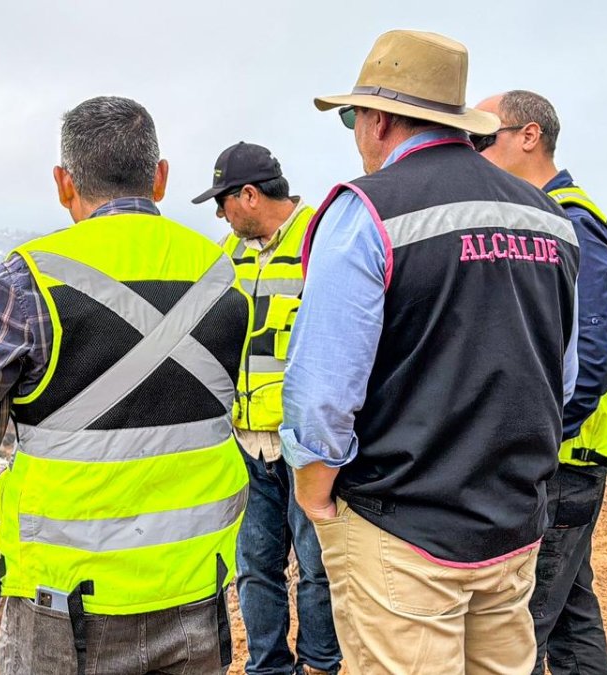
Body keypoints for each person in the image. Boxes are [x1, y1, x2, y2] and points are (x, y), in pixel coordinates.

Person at [280, 30, 581, 675]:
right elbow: (562, 376)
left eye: (351, 118)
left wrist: (314, 491)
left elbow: (322, 393)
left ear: (378, 118)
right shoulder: (549, 219)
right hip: (510, 523)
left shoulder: (365, 212)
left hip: (400, 529)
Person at [0, 95, 252, 675]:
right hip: (196, 591)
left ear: (63, 183)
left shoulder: (29, 277)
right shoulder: (223, 274)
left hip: (66, 607)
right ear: (160, 178)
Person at [477, 89, 607, 675]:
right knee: (571, 615)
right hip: (566, 457)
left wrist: (530, 441)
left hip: (563, 458)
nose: (473, 153)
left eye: (483, 139)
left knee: (518, 631)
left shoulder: (571, 222)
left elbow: (589, 362)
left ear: (529, 136)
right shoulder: (547, 216)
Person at [192, 143, 340, 675]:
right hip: (245, 445)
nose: (219, 215)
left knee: (318, 566)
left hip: (306, 443)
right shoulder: (226, 258)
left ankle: (321, 663)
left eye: (223, 202)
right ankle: (269, 667)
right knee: (255, 567)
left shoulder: (322, 241)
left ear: (249, 195)